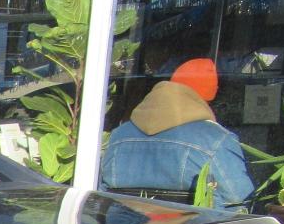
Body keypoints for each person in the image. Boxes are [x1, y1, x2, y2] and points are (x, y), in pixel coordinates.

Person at [101, 59, 254, 209]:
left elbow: (101, 193)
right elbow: (239, 201)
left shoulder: (117, 137)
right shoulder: (216, 140)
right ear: (210, 97)